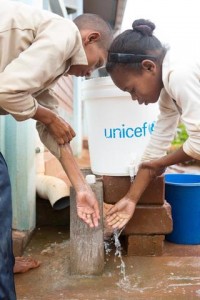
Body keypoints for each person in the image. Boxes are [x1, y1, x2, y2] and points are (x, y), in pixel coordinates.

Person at [0, 1, 113, 299]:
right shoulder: (63, 34)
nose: (90, 73)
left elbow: (54, 131)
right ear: (89, 38)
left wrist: (81, 189)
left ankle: (5, 264)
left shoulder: (53, 62)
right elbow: (7, 92)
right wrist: (48, 116)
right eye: (97, 63)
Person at [105, 18, 200, 230]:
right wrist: (130, 199)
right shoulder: (168, 89)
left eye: (131, 89)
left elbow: (198, 144)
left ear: (148, 67)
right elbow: (155, 150)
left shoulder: (180, 75)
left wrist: (160, 163)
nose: (134, 98)